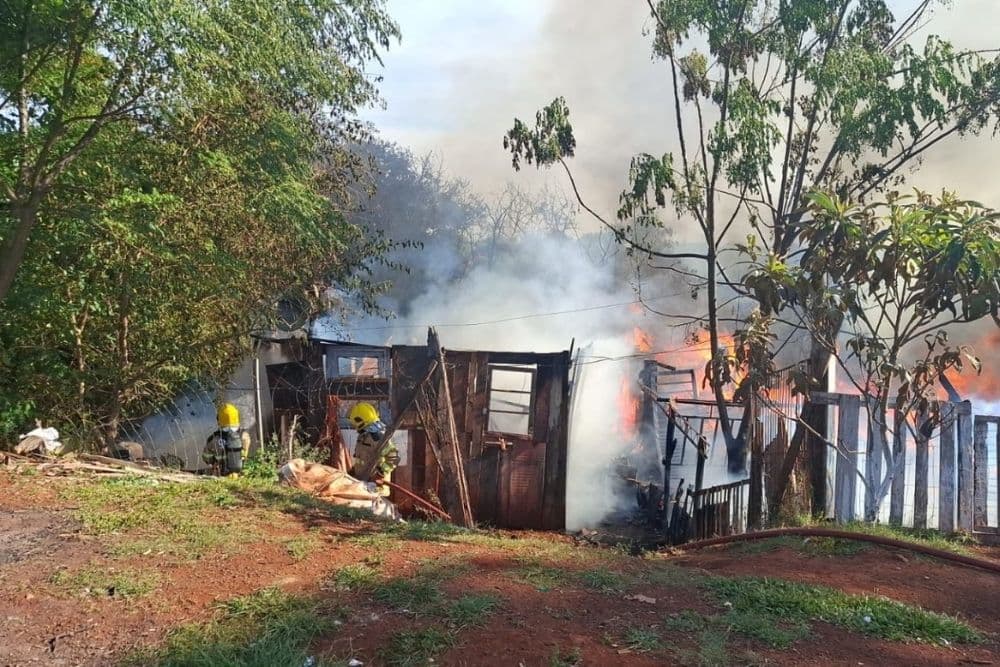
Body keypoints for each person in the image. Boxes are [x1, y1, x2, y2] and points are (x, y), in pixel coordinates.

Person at [347, 402, 399, 496]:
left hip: (375, 487)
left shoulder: (379, 436)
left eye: (355, 423)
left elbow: (394, 458)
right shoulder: (363, 436)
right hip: (362, 482)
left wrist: (380, 474)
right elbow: (362, 457)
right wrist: (353, 472)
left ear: (362, 420)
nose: (354, 427)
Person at [203, 403, 251, 476]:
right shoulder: (244, 436)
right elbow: (245, 455)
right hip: (240, 476)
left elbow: (206, 457)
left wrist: (213, 462)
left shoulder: (213, 438)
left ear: (219, 419)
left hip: (221, 475)